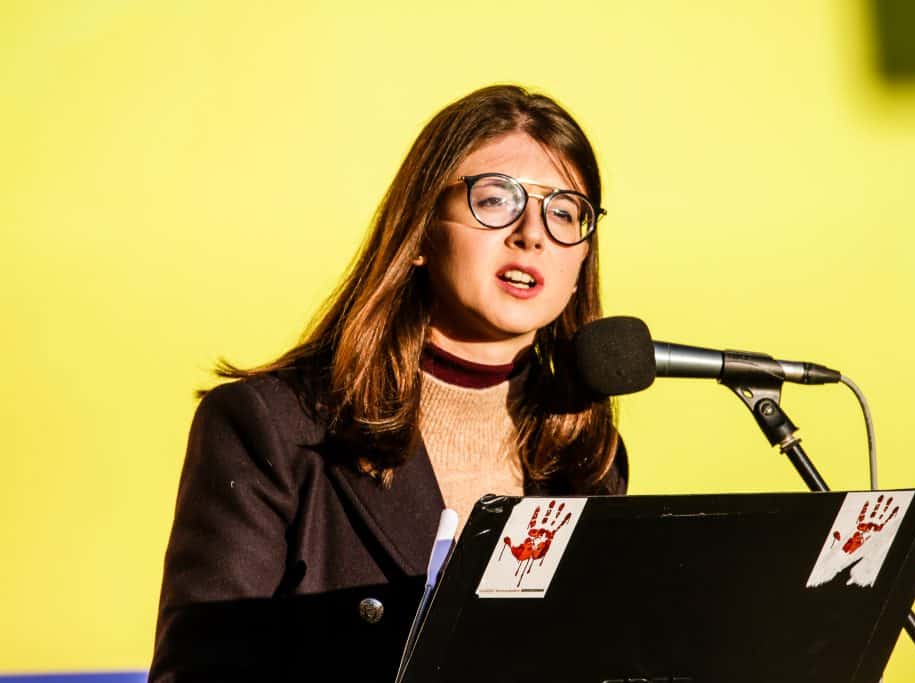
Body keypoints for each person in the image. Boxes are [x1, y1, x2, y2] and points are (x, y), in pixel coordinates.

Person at [150, 84, 627, 682]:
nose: (532, 233)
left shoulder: (586, 455)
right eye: (495, 199)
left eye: (563, 212)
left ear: (582, 259)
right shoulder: (271, 428)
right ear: (421, 232)